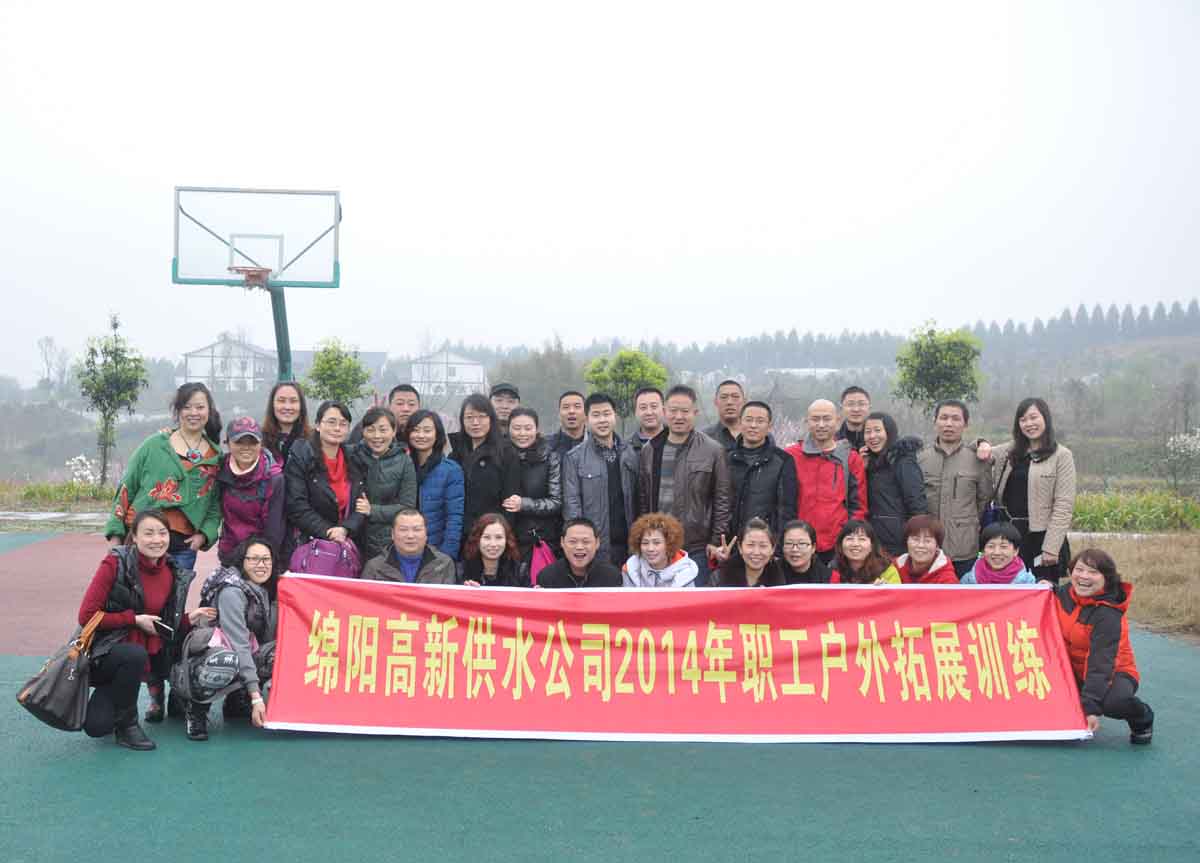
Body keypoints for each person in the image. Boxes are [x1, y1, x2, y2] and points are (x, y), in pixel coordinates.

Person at [77, 509, 215, 750]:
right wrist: (134, 620)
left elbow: (164, 622)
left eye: (162, 533)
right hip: (108, 651)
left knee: (192, 639)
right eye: (148, 533)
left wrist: (188, 618)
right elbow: (86, 616)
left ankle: (181, 699)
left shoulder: (170, 570)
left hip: (144, 653)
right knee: (98, 725)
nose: (157, 540)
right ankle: (127, 726)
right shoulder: (115, 563)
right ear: (135, 537)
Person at [104, 382, 223, 573]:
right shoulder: (154, 445)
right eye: (187, 407)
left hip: (183, 548)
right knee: (134, 591)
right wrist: (115, 535)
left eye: (200, 407)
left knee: (174, 593)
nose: (194, 412)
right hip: (141, 542)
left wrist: (203, 536)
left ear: (209, 410)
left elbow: (215, 505)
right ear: (178, 410)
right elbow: (127, 487)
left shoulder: (216, 457)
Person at [1052, 549, 1154, 744]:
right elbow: (1047, 595)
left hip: (1115, 670)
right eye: (1079, 570)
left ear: (1106, 578)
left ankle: (1142, 717)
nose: (1084, 576)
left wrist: (1090, 708)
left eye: (1093, 572)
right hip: (1074, 669)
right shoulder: (1064, 594)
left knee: (1113, 703)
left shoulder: (1108, 614)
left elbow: (1100, 664)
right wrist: (1044, 585)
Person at [182, 535, 278, 739]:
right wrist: (256, 697)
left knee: (279, 652)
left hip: (240, 651)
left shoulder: (261, 589)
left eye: (266, 559)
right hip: (208, 658)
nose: (261, 565)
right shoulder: (232, 591)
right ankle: (197, 709)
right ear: (242, 561)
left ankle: (236, 700)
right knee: (226, 660)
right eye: (254, 559)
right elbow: (239, 644)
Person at [637, 384, 732, 586]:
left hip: (696, 546)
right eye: (673, 411)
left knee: (694, 602)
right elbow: (643, 500)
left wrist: (715, 541)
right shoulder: (650, 450)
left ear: (695, 413)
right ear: (664, 412)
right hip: (658, 546)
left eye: (685, 411)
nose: (679, 416)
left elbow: (722, 500)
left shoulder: (712, 450)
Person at [988, 398, 1077, 583]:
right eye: (1023, 420)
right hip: (1009, 536)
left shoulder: (1061, 455)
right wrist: (980, 443)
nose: (1029, 424)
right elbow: (981, 451)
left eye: (1033, 417)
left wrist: (1051, 547)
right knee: (1008, 588)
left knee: (1042, 589)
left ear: (1045, 418)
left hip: (1042, 537)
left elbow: (1063, 506)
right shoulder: (1010, 451)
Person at [785, 399, 867, 565]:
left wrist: (849, 540)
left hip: (837, 545)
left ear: (837, 420)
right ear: (807, 422)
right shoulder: (791, 455)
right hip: (798, 544)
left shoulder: (851, 458)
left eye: (827, 419)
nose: (821, 425)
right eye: (815, 419)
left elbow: (858, 506)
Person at [562, 393, 640, 566]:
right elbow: (572, 507)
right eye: (596, 415)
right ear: (586, 419)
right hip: (595, 548)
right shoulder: (574, 458)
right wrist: (581, 544)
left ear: (615, 416)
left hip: (629, 546)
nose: (602, 420)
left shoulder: (630, 453)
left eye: (607, 414)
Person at [917, 399, 992, 577]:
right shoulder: (920, 459)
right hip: (926, 548)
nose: (949, 424)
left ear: (965, 424)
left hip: (964, 547)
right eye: (943, 418)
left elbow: (984, 499)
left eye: (956, 419)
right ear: (935, 421)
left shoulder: (977, 459)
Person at [284, 400, 366, 548]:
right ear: (317, 425)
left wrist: (345, 529)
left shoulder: (354, 458)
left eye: (343, 424)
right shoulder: (302, 455)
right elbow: (296, 505)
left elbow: (361, 506)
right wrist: (328, 532)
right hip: (311, 543)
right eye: (331, 422)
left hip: (346, 541)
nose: (337, 428)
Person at [215, 416, 285, 569]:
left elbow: (273, 531)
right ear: (228, 443)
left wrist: (257, 560)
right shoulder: (220, 468)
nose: (246, 447)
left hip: (259, 560)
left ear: (261, 443)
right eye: (239, 442)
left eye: (252, 442)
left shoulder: (274, 479)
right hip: (228, 554)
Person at [350, 407, 418, 560]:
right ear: (363, 431)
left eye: (383, 430)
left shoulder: (404, 461)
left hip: (387, 542)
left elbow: (407, 506)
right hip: (353, 537)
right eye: (370, 430)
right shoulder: (352, 454)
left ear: (393, 431)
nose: (377, 436)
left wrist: (372, 510)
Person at [449, 393, 522, 531]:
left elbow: (510, 502)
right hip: (459, 532)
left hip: (492, 533)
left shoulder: (506, 453)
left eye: (482, 416)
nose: (475, 423)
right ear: (462, 421)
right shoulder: (455, 454)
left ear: (491, 419)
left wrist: (503, 533)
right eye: (469, 417)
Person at [727, 400, 797, 536]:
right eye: (748, 420)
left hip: (765, 541)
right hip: (729, 540)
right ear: (740, 422)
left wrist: (779, 543)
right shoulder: (725, 458)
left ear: (769, 426)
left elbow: (786, 510)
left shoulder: (783, 460)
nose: (753, 425)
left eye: (760, 421)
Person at [862, 411, 928, 556]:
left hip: (898, 543)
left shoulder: (902, 461)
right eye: (868, 432)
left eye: (877, 430)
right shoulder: (872, 463)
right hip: (876, 539)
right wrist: (862, 470)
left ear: (889, 432)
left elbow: (917, 503)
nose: (872, 436)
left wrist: (916, 539)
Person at [504, 407, 562, 559]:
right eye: (517, 428)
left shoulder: (549, 457)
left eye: (528, 428)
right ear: (508, 429)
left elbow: (556, 501)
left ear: (537, 430)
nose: (522, 433)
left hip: (538, 537)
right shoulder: (499, 454)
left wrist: (524, 504)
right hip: (501, 536)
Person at [406, 409, 465, 560]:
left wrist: (446, 556)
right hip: (403, 547)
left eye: (427, 430)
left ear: (437, 434)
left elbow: (454, 518)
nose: (421, 435)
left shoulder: (451, 470)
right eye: (415, 430)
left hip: (436, 550)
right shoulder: (403, 466)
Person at [361, 509, 458, 583]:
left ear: (426, 534)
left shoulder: (444, 564)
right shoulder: (374, 567)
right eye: (403, 529)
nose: (410, 536)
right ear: (392, 534)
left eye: (417, 529)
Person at [536, 518, 623, 588]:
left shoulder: (611, 576)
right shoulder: (547, 576)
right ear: (562, 542)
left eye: (586, 542)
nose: (579, 547)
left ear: (597, 543)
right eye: (573, 541)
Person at [622, 512, 699, 587]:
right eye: (645, 543)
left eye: (656, 543)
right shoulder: (631, 568)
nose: (650, 549)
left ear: (669, 544)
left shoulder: (686, 571)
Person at [460, 513, 528, 586]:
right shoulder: (461, 570)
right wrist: (466, 589)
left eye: (499, 537)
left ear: (507, 540)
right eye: (487, 537)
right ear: (477, 540)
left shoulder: (519, 571)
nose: (493, 544)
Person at [961, 522, 1036, 585]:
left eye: (1003, 547)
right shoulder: (968, 581)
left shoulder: (1027, 582)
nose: (997, 552)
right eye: (991, 546)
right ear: (983, 551)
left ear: (1015, 551)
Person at [718, 518, 786, 587]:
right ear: (740, 547)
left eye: (763, 546)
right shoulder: (720, 576)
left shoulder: (779, 580)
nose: (756, 552)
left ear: (773, 549)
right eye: (750, 545)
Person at [348, 384, 422, 447]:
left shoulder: (425, 436)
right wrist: (371, 420)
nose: (406, 409)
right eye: (399, 403)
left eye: (411, 404)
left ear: (419, 407)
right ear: (389, 407)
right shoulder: (379, 434)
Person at [892, 515, 959, 584]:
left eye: (927, 541)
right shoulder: (893, 568)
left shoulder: (948, 580)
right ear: (907, 541)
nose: (921, 545)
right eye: (915, 539)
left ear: (937, 546)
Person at [830, 520, 899, 584]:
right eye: (849, 538)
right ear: (840, 545)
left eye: (862, 539)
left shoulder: (886, 569)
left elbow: (897, 592)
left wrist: (886, 588)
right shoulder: (833, 568)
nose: (855, 544)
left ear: (872, 546)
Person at [261, 381, 311, 466]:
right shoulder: (260, 441)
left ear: (301, 406)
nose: (287, 407)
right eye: (281, 401)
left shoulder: (313, 441)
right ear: (272, 405)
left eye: (293, 401)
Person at [777, 519, 832, 584]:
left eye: (802, 544)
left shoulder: (830, 578)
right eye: (789, 543)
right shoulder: (771, 572)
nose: (795, 549)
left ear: (813, 547)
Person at [702, 379, 745, 451]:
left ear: (744, 401)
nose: (729, 402)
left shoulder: (757, 434)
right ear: (715, 402)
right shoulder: (704, 438)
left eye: (735, 397)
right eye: (724, 397)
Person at [546, 390, 586, 459]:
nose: (571, 411)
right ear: (559, 414)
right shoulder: (546, 446)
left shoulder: (597, 445)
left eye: (577, 406)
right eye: (566, 407)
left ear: (586, 413)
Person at [629, 386, 665, 455]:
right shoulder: (624, 448)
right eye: (643, 407)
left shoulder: (679, 442)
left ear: (664, 410)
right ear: (635, 412)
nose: (649, 412)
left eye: (654, 406)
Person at [836, 386, 871, 451]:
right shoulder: (833, 441)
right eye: (850, 404)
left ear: (869, 407)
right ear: (841, 408)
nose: (856, 409)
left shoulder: (877, 440)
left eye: (861, 404)